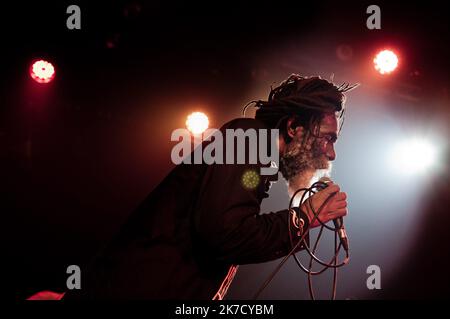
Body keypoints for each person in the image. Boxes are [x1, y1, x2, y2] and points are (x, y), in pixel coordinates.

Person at [62, 74, 356, 300]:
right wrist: (302, 218)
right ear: (294, 127)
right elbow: (225, 233)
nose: (331, 154)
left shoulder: (255, 154)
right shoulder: (248, 135)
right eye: (329, 138)